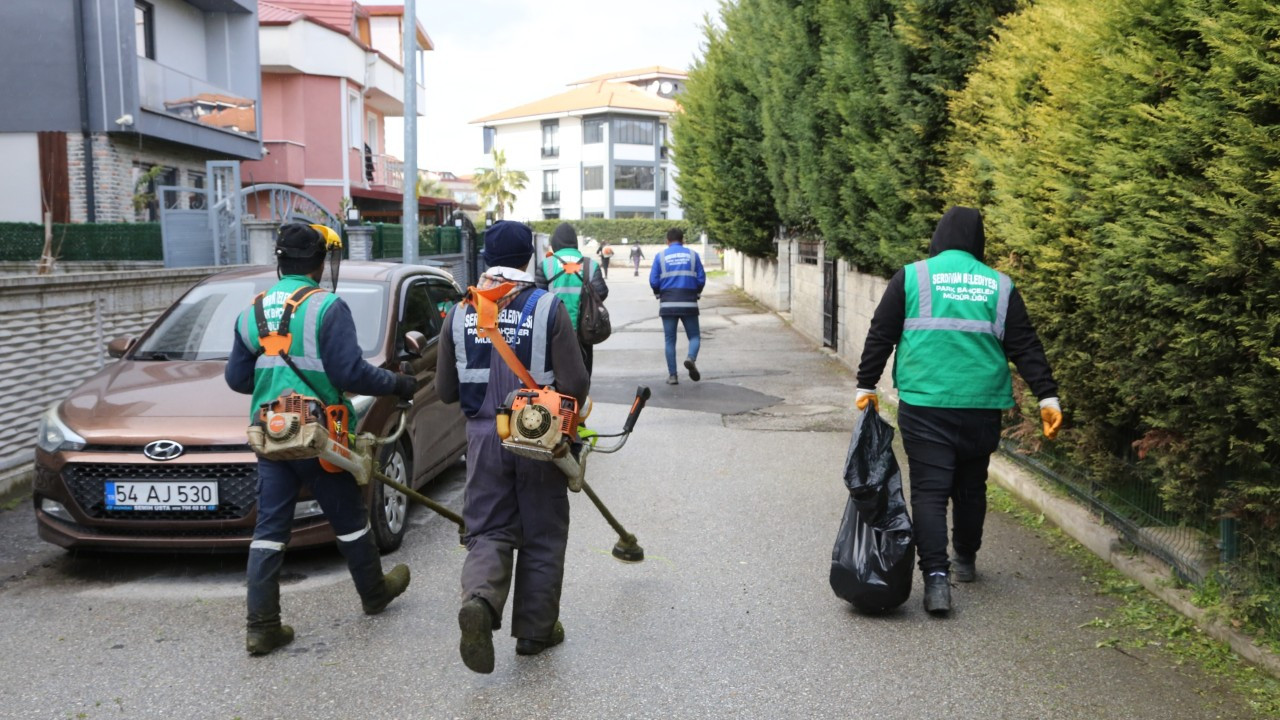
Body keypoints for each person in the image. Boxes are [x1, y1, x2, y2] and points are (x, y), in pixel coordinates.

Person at [854, 206, 1062, 616]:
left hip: (925, 401)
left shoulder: (912, 276)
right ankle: (965, 560)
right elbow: (1026, 345)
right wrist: (1047, 397)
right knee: (971, 485)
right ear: (977, 241)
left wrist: (866, 384)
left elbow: (882, 332)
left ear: (938, 236)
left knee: (929, 493)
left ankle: (935, 581)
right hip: (982, 405)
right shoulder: (1000, 286)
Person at [225, 222, 418, 656]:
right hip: (320, 434)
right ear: (318, 262)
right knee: (349, 516)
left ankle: (262, 627)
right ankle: (373, 593)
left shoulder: (250, 313)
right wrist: (398, 384)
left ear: (280, 262)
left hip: (272, 436)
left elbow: (237, 378)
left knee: (270, 528)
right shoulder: (327, 307)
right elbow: (351, 374)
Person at [437, 220, 591, 674]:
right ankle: (534, 633)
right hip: (538, 439)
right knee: (542, 533)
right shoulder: (546, 307)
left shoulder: (460, 313)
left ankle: (481, 604)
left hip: (484, 440)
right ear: (529, 258)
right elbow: (576, 384)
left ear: (485, 259)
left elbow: (446, 391)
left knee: (488, 530)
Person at [535, 222, 609, 374]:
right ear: (575, 243)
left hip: (553, 333)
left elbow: (537, 298)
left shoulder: (546, 265)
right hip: (584, 331)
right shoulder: (590, 265)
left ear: (555, 244)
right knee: (582, 374)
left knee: (556, 376)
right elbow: (601, 292)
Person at [649, 227, 706, 385]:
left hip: (668, 304)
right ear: (683, 240)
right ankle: (690, 358)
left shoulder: (660, 256)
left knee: (669, 340)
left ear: (667, 241)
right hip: (689, 302)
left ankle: (673, 376)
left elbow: (653, 281)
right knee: (694, 336)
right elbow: (701, 279)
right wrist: (697, 293)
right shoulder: (693, 256)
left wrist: (659, 294)